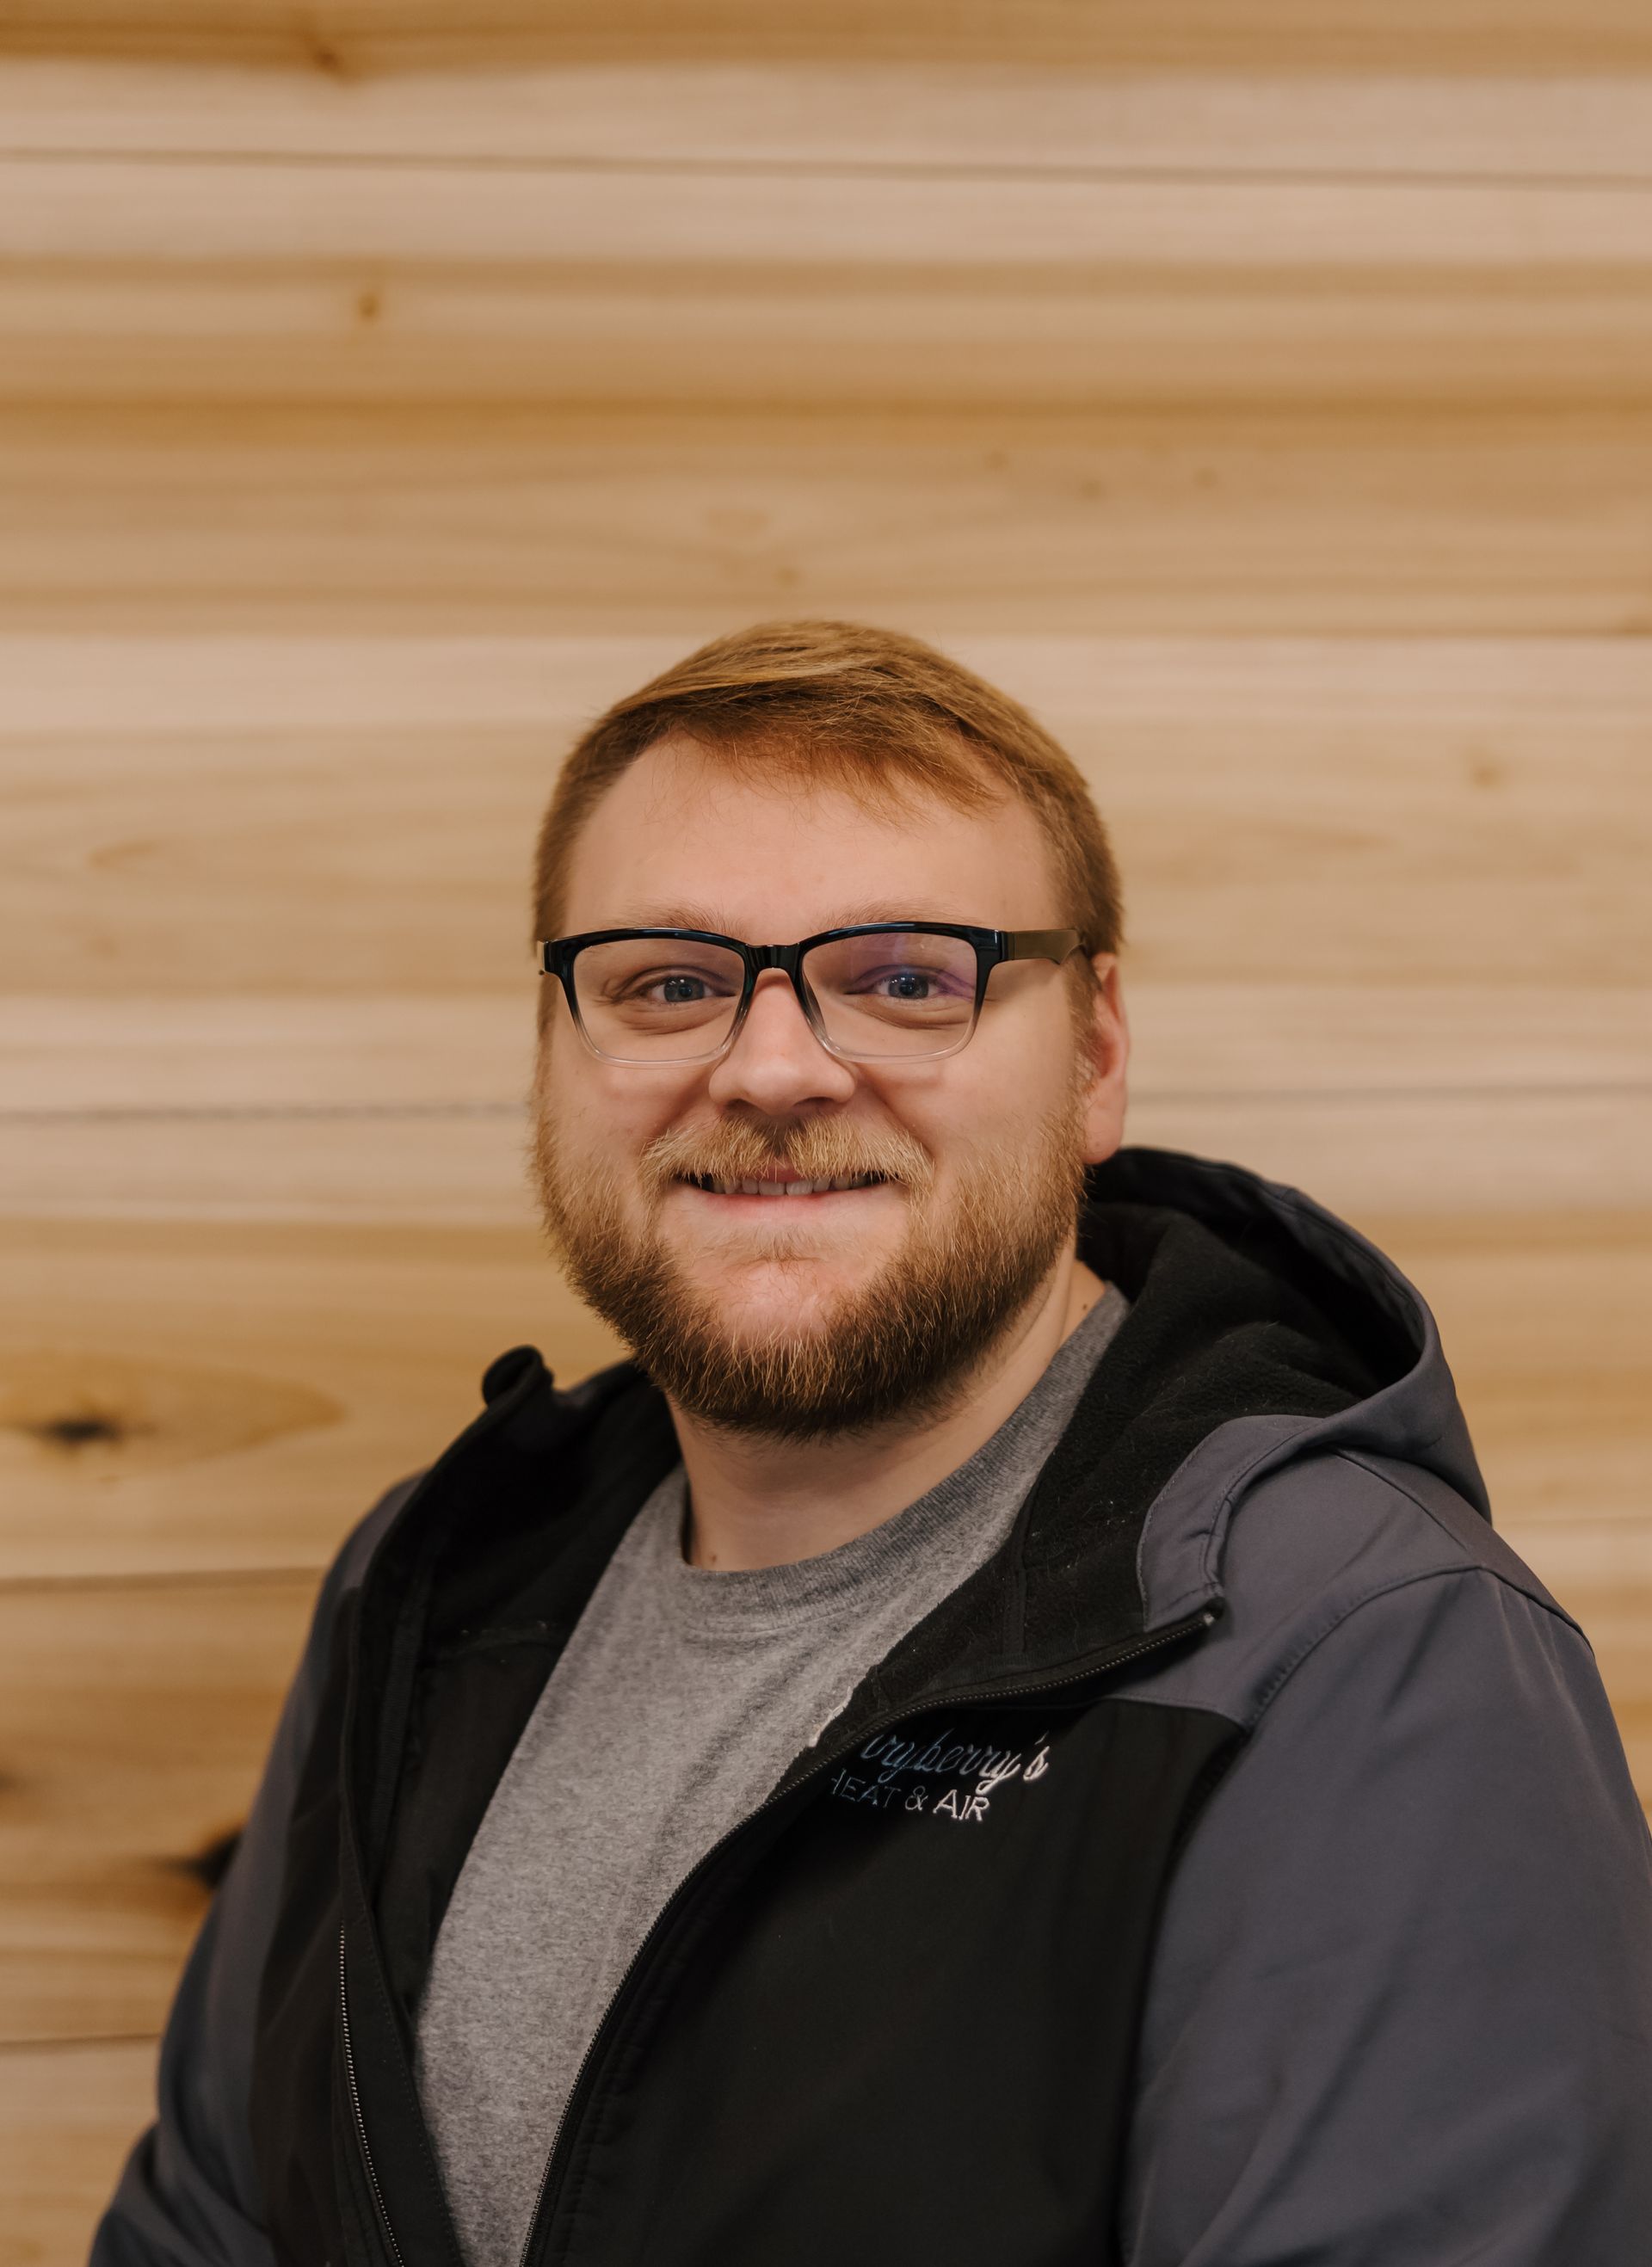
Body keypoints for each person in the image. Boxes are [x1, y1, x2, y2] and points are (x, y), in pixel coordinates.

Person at [94, 621, 1651, 2267]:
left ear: (1098, 1058)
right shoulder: (431, 1580)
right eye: (668, 984)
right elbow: (209, 2231)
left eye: (908, 980)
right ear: (555, 1054)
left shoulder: (1361, 1660)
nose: (772, 1067)